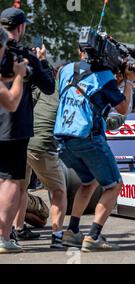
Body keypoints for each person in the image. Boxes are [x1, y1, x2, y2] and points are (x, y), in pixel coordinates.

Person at [54, 47, 135, 252]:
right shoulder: (104, 75)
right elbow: (123, 108)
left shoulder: (66, 69)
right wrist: (127, 81)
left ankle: (72, 231)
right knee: (114, 185)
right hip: (88, 138)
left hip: (63, 139)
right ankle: (93, 236)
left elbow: (89, 92)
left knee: (89, 181)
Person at [0, 7, 55, 254]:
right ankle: (4, 236)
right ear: (20, 27)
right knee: (12, 180)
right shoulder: (23, 55)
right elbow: (49, 86)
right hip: (13, 126)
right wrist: (40, 61)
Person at [15, 86, 67, 249]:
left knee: (18, 189)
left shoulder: (38, 89)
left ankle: (16, 231)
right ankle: (57, 237)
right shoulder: (68, 91)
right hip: (41, 146)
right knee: (59, 191)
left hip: (21, 141)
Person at [0, 26, 29, 254]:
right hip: (8, 135)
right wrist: (19, 75)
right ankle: (4, 237)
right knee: (10, 181)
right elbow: (11, 101)